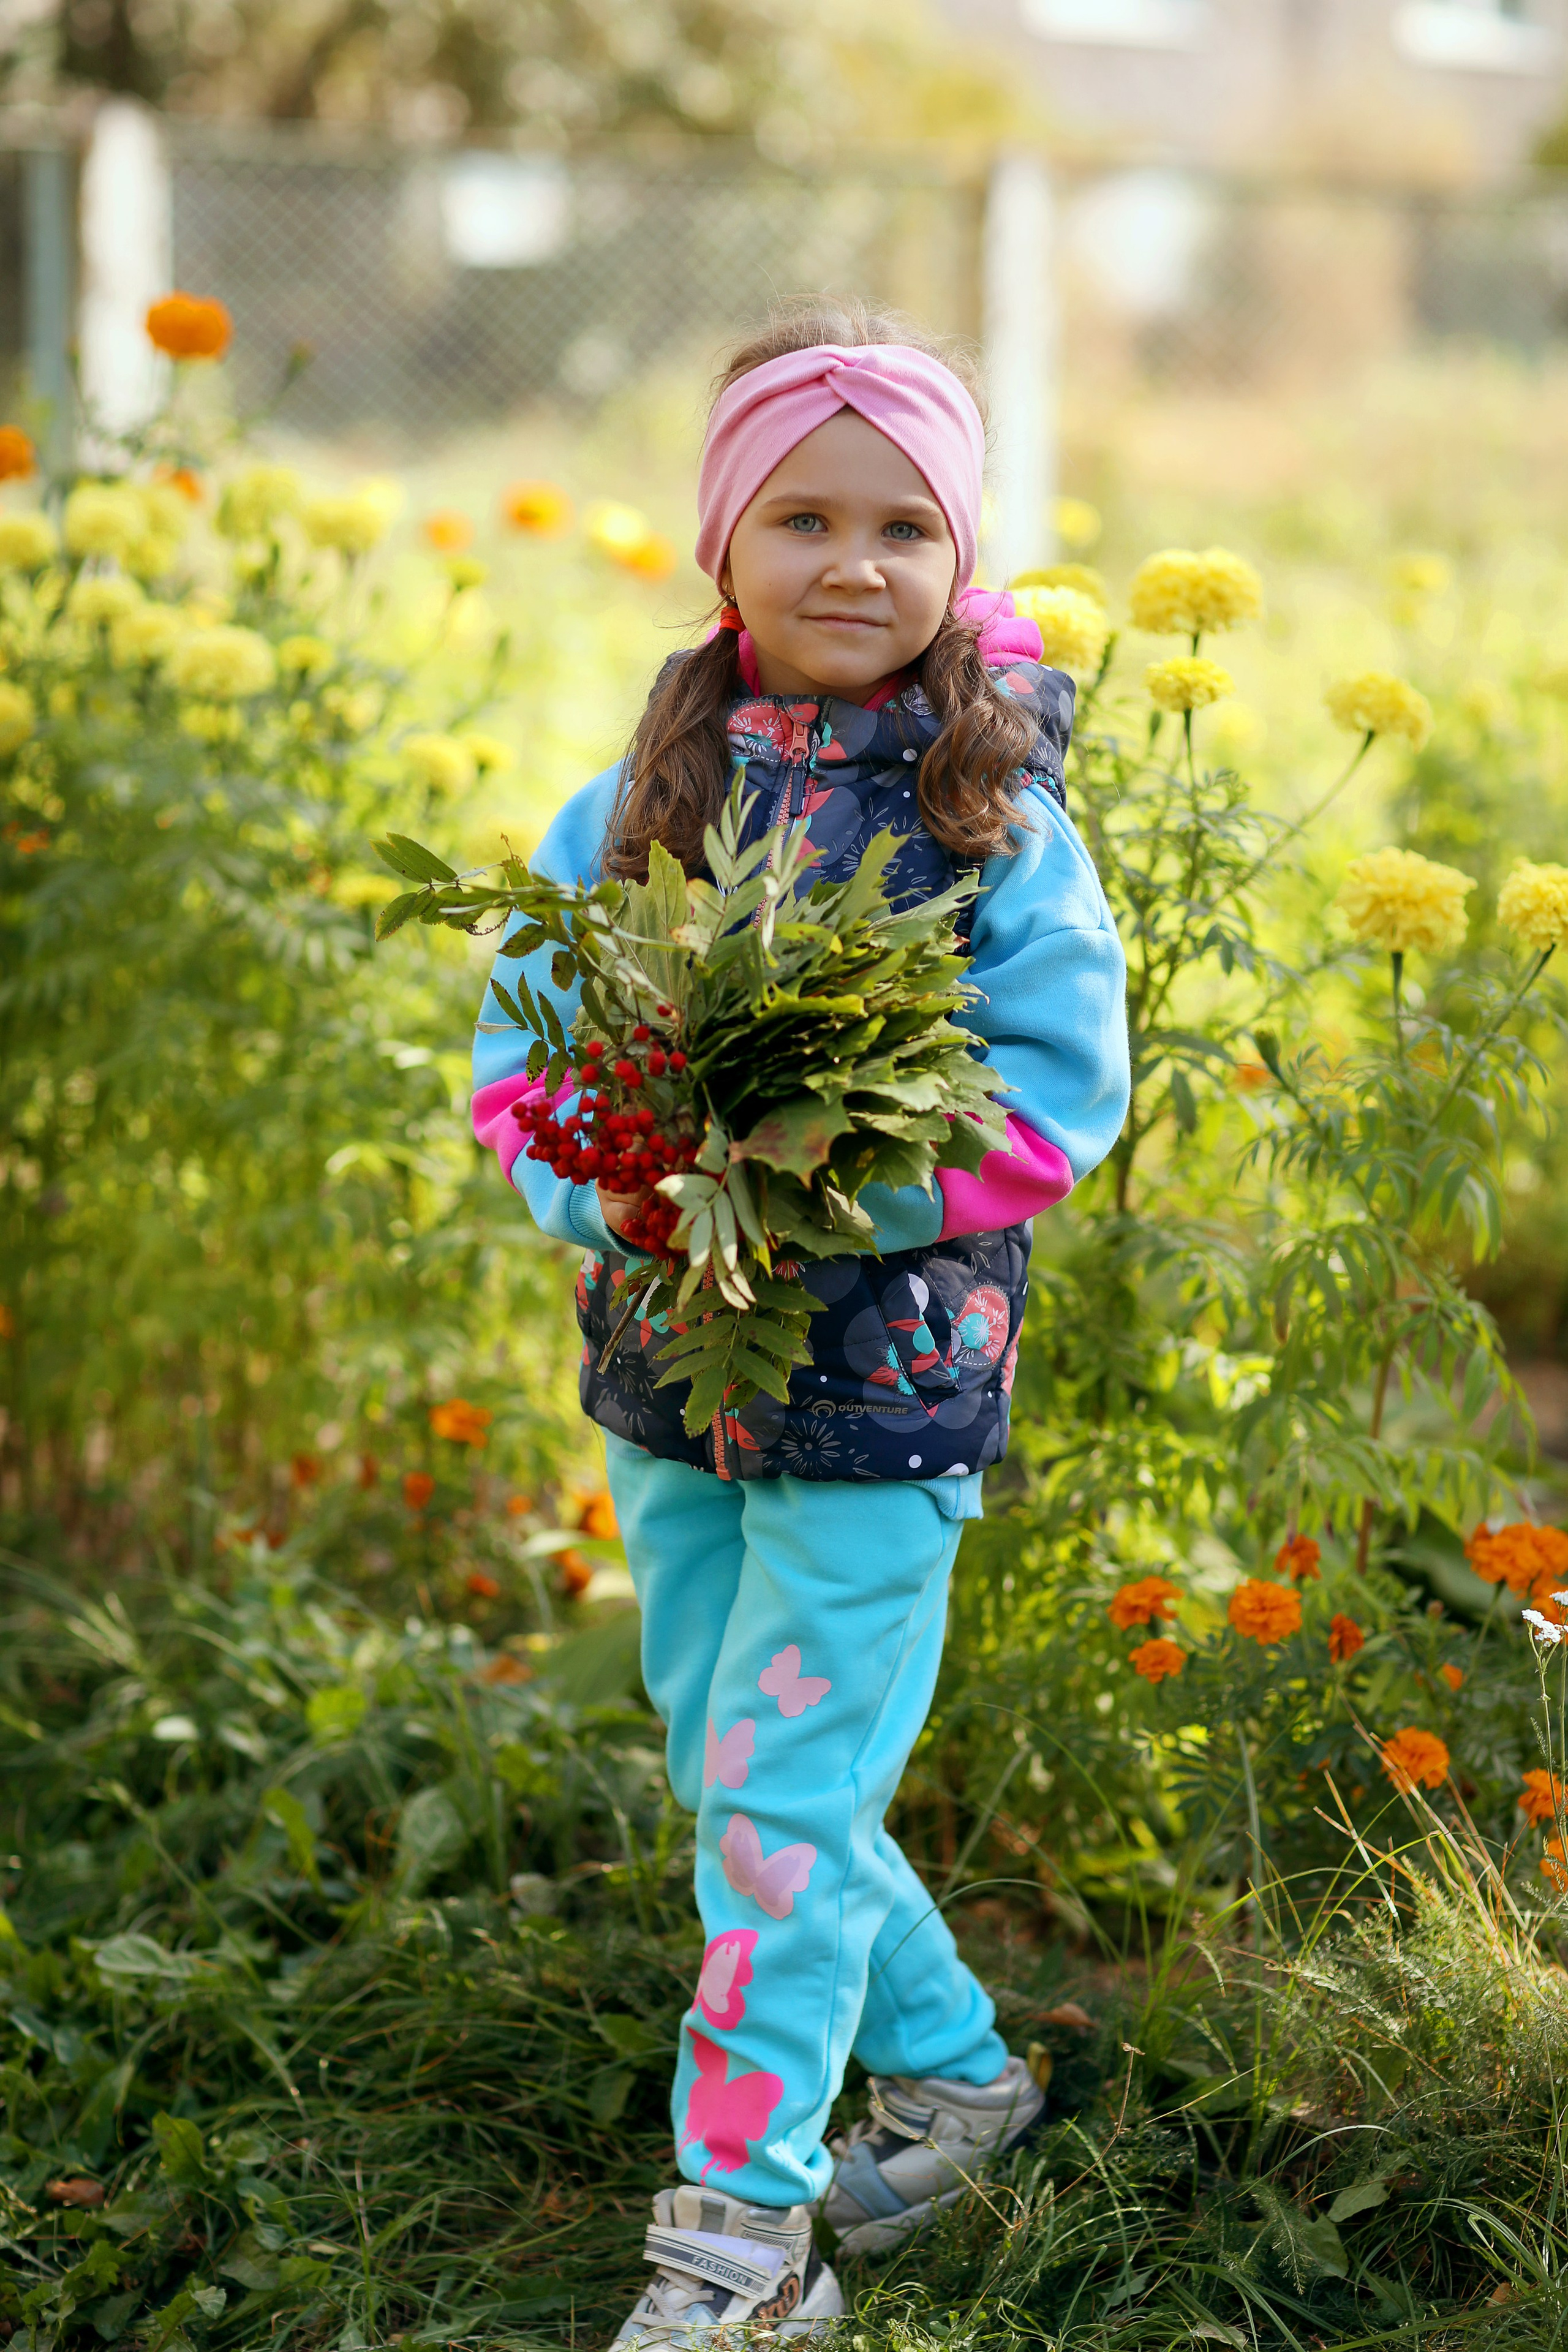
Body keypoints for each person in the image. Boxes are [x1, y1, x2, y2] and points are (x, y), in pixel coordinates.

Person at [472, 299, 1130, 2345]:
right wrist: (616, 1182)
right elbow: (518, 1060)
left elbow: (1060, 1098)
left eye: (907, 528)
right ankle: (958, 2077)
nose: (858, 565)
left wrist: (834, 1185)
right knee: (732, 1763)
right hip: (673, 1366)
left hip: (886, 1388)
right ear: (719, 545)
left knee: (779, 1800)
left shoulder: (992, 826)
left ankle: (744, 2240)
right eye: (806, 517)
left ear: (964, 560)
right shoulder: (629, 807)